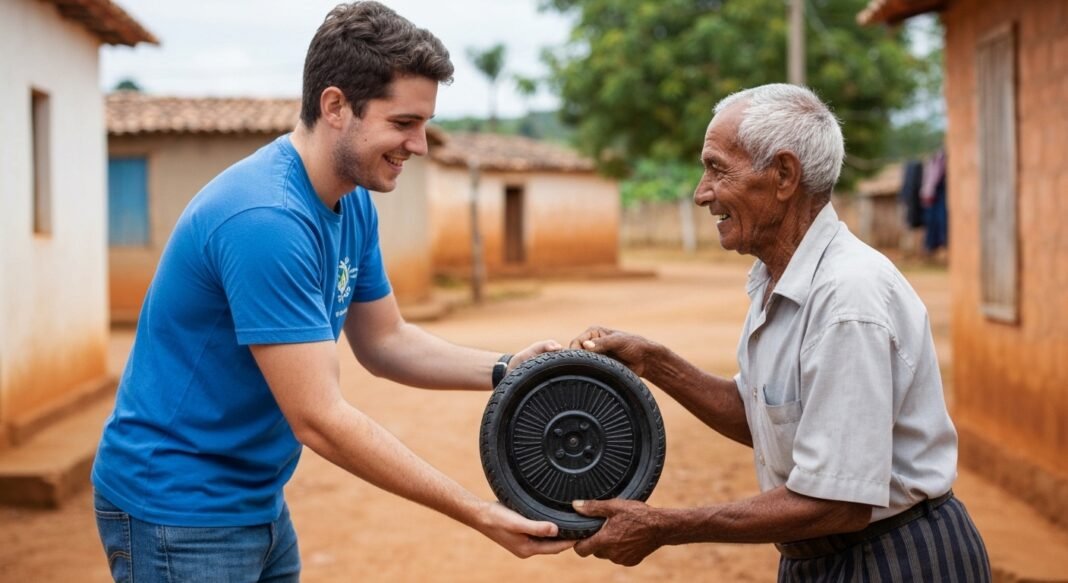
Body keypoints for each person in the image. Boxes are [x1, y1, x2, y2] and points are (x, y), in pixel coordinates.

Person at [90, 3, 573, 580]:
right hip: (178, 509)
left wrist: (508, 368)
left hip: (255, 499)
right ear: (336, 106)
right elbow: (319, 418)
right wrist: (477, 512)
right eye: (403, 123)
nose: (419, 145)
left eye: (423, 123)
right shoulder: (266, 219)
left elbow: (386, 341)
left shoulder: (352, 201)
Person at [568, 84, 990, 581]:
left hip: (895, 559)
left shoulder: (845, 299)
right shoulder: (780, 282)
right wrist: (655, 362)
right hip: (827, 557)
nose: (702, 193)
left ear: (784, 175)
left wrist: (664, 526)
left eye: (717, 168)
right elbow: (763, 421)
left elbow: (838, 502)